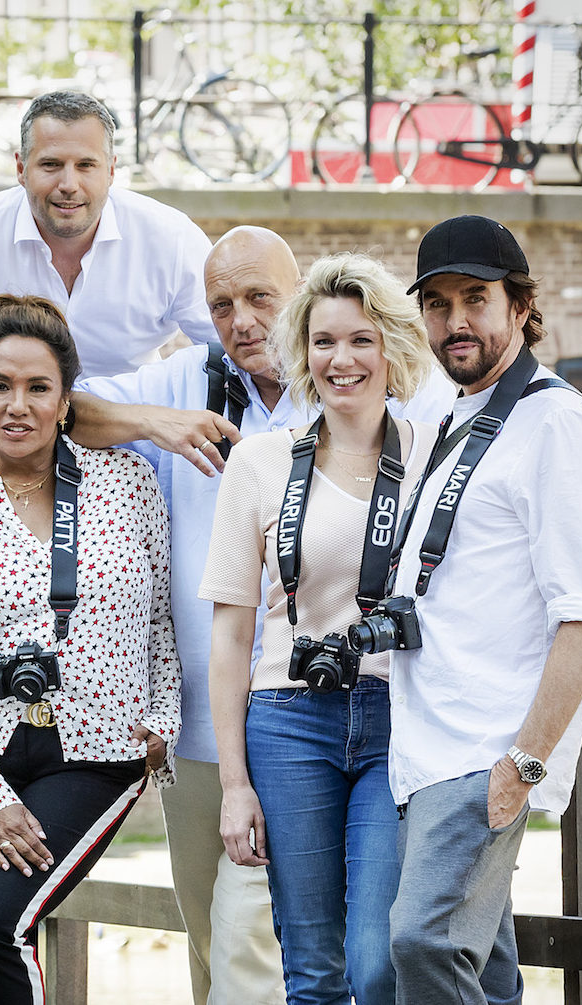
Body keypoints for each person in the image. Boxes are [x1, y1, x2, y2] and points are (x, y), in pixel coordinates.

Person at [71, 228, 455, 1005]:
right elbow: (58, 405)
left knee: (370, 948)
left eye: (257, 298)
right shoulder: (191, 388)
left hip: (381, 711)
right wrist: (156, 422)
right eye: (220, 304)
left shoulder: (422, 436)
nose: (241, 319)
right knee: (228, 939)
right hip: (231, 718)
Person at [0, 294, 180, 1005]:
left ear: (65, 402)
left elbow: (160, 618)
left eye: (37, 388)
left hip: (95, 750)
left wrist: (164, 715)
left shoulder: (124, 483)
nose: (16, 405)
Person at [388, 215, 582, 1003]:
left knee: (421, 942)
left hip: (483, 748)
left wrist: (521, 763)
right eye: (438, 302)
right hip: (426, 747)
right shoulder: (457, 417)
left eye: (475, 299)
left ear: (519, 307)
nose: (455, 321)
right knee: (480, 967)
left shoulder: (556, 421)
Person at [200, 253, 441, 1005]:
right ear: (302, 353)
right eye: (323, 341)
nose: (341, 360)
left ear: (393, 349)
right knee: (311, 970)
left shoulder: (436, 457)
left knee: (377, 959)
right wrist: (233, 784)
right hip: (287, 719)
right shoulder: (261, 462)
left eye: (361, 340)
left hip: (397, 719)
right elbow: (231, 634)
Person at [0, 90, 216, 379]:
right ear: (21, 168)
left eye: (86, 165)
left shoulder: (172, 239)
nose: (69, 184)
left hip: (136, 423)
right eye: (51, 165)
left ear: (111, 170)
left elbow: (227, 352)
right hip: (7, 421)